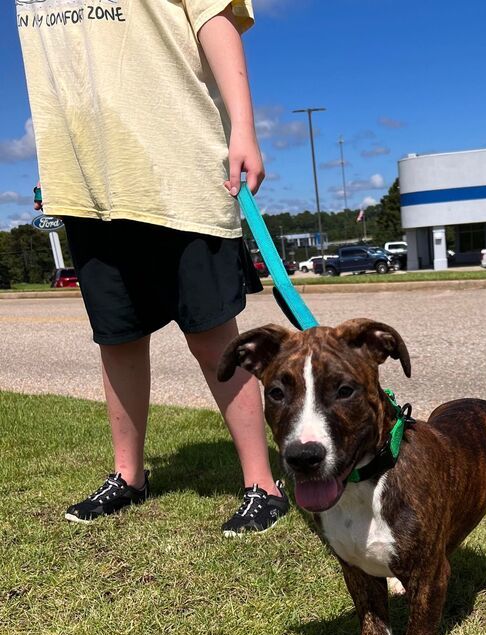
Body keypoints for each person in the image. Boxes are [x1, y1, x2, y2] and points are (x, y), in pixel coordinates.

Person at [17, 0, 288, 534]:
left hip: (177, 161)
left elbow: (214, 15)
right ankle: (130, 475)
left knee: (212, 332)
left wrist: (243, 127)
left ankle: (263, 483)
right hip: (84, 176)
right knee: (116, 333)